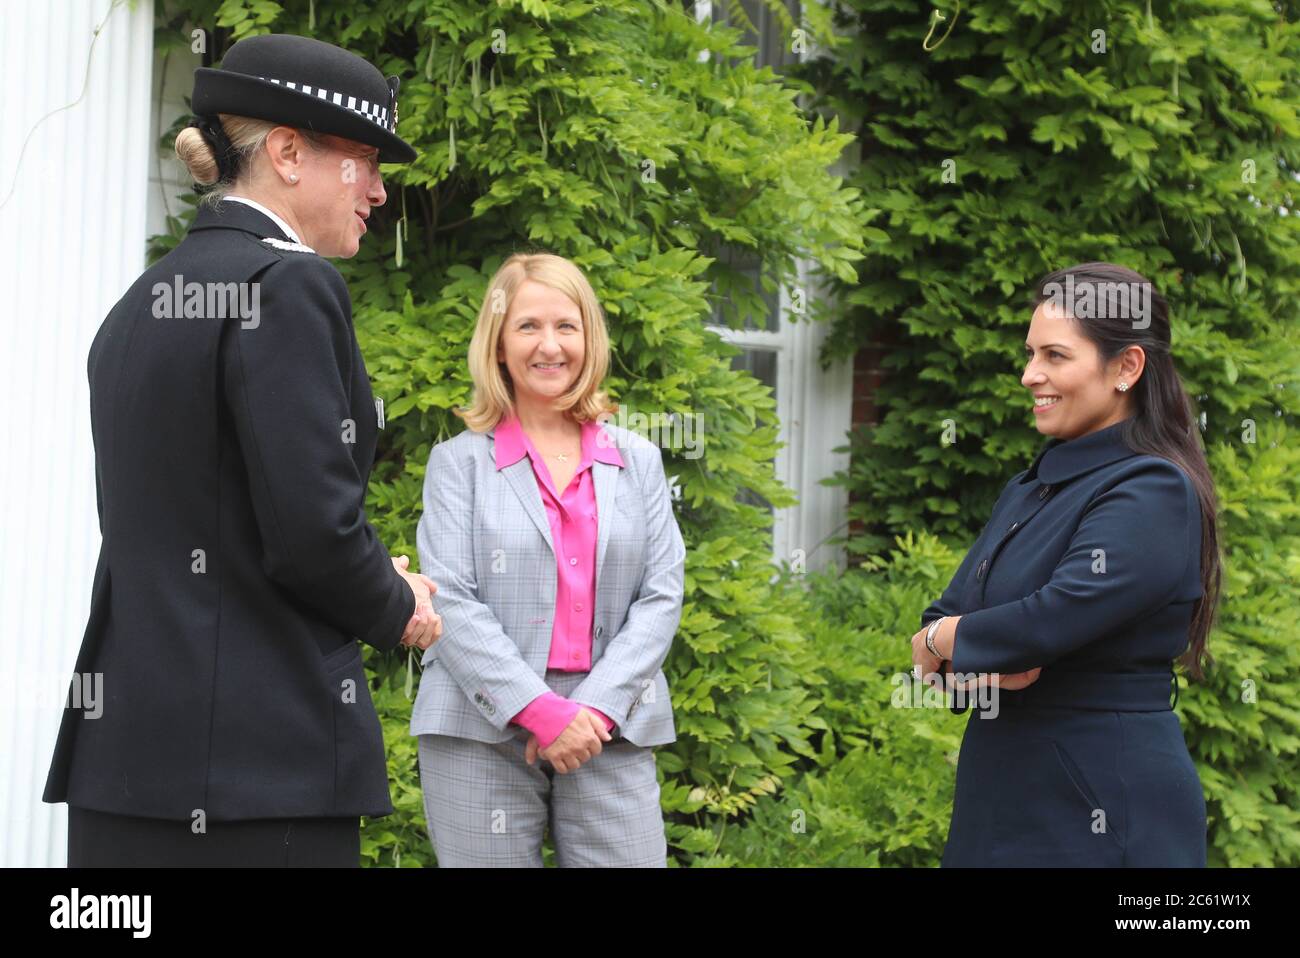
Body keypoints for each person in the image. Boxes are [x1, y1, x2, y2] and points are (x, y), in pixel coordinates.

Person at [42, 33, 442, 867]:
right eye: (363, 161)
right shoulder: (288, 287)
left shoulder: (140, 302)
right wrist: (399, 603)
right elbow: (312, 534)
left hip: (124, 770)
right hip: (259, 780)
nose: (376, 190)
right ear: (291, 154)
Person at [912, 262, 1218, 867]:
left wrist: (950, 640)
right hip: (1000, 787)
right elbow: (948, 615)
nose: (1030, 375)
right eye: (1030, 354)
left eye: (1055, 355)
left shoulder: (1152, 489)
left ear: (1127, 367)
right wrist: (956, 643)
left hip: (1098, 796)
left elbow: (1047, 619)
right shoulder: (1031, 487)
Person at [410, 253, 685, 867]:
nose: (550, 345)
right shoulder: (458, 465)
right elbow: (450, 598)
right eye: (528, 326)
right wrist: (539, 712)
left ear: (589, 338)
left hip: (607, 725)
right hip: (480, 726)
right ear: (499, 345)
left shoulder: (636, 460)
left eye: (567, 326)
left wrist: (591, 711)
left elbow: (661, 595)